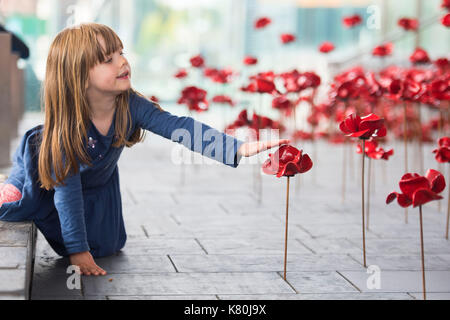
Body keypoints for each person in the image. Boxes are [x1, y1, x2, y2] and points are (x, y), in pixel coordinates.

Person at [0, 23, 289, 276]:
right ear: (79, 76)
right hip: (47, 179)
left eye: (121, 53)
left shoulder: (130, 105)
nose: (122, 63)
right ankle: (10, 187)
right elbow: (67, 194)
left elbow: (179, 127)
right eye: (108, 59)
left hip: (98, 182)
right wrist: (77, 250)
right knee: (20, 206)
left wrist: (237, 148)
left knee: (108, 247)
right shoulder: (66, 134)